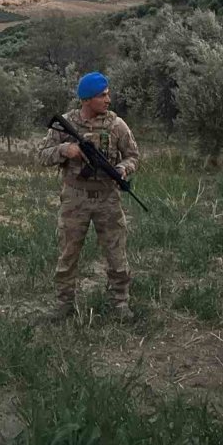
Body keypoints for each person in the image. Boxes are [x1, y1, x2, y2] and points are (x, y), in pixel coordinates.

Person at [38, 72, 140, 321]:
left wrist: (123, 168)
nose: (108, 99)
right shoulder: (66, 123)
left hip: (107, 197)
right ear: (86, 99)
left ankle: (119, 303)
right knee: (68, 252)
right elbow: (41, 155)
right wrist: (65, 149)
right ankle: (64, 303)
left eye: (108, 94)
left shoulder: (117, 125)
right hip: (75, 198)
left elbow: (133, 156)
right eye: (102, 95)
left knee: (116, 251)